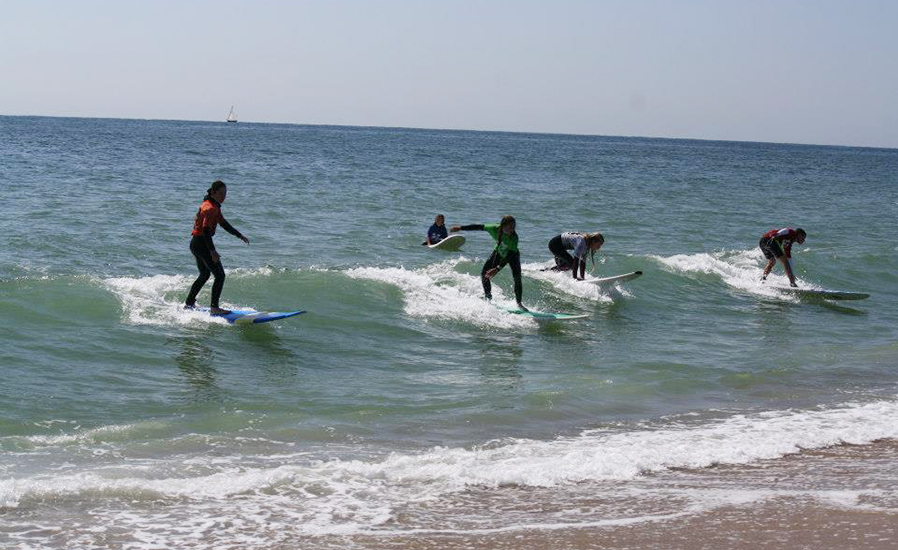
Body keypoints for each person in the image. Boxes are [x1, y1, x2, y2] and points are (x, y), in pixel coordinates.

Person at [184, 180, 250, 314]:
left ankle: (189, 303)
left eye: (225, 194)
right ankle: (214, 308)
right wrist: (212, 251)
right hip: (202, 244)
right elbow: (206, 231)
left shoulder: (214, 206)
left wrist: (239, 235)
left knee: (204, 274)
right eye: (221, 194)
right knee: (219, 275)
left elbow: (223, 223)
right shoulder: (210, 208)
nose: (223, 197)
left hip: (195, 244)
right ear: (213, 193)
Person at [450, 215, 526, 310]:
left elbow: (509, 255)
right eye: (509, 227)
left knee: (517, 278)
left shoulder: (514, 237)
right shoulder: (494, 228)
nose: (511, 230)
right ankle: (488, 298)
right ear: (503, 225)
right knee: (484, 274)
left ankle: (519, 303)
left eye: (513, 227)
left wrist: (497, 269)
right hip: (498, 252)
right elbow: (478, 227)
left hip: (512, 256)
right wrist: (460, 228)